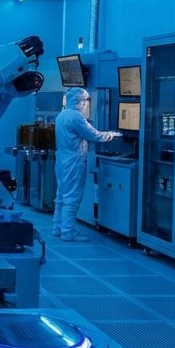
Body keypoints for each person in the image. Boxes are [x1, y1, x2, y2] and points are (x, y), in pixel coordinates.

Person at [52, 87, 119, 242]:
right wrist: (112, 135)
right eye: (84, 100)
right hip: (73, 162)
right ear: (79, 100)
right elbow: (94, 135)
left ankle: (58, 228)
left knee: (61, 195)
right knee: (72, 197)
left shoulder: (62, 115)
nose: (85, 103)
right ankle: (68, 232)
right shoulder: (76, 117)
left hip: (62, 161)